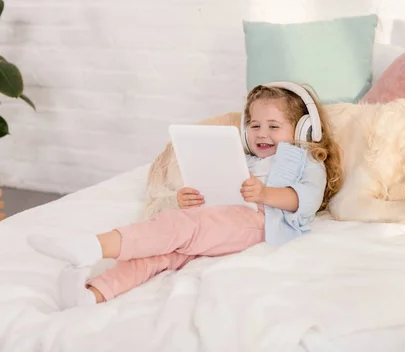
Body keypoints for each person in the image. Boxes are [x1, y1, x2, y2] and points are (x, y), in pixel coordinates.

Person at [27, 81, 343, 309]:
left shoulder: (306, 160)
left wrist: (264, 193)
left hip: (258, 221)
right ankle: (93, 294)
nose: (262, 133)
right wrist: (190, 198)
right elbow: (221, 188)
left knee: (178, 227)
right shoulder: (245, 159)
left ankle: (94, 245)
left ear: (302, 130)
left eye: (274, 126)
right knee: (162, 253)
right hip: (222, 217)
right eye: (256, 124)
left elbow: (303, 201)